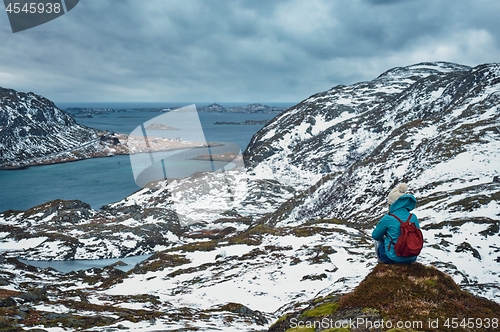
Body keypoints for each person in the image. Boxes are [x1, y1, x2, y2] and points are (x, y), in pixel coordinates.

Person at [372, 183, 420, 264]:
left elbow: (375, 236)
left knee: (378, 240)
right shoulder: (413, 217)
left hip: (392, 259)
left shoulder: (388, 218)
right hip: (412, 258)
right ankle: (408, 260)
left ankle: (380, 263)